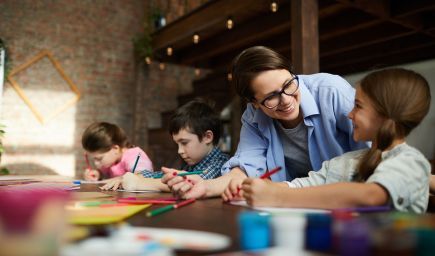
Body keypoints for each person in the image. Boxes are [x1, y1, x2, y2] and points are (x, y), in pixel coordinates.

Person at [163, 46, 368, 199]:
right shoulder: (253, 117)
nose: (286, 100)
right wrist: (205, 186)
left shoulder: (331, 92)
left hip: (350, 195)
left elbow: (374, 152)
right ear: (254, 103)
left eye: (288, 84)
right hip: (295, 201)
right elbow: (245, 169)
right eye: (271, 97)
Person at [241, 68, 431, 213]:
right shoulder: (346, 161)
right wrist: (260, 188)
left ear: (384, 114)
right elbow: (301, 185)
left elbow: (370, 196)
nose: (349, 114)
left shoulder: (410, 162)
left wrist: (277, 196)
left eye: (358, 106)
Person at [101, 99, 229, 191]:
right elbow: (162, 176)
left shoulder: (220, 163)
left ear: (207, 137)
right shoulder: (194, 161)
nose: (180, 151)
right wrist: (132, 176)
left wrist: (139, 183)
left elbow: (193, 184)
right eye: (177, 144)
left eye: (184, 143)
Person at [81, 122, 153, 183]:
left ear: (115, 149)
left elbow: (142, 176)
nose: (96, 164)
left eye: (99, 159)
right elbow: (105, 173)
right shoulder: (111, 161)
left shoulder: (135, 156)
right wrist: (98, 174)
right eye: (94, 159)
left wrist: (103, 182)